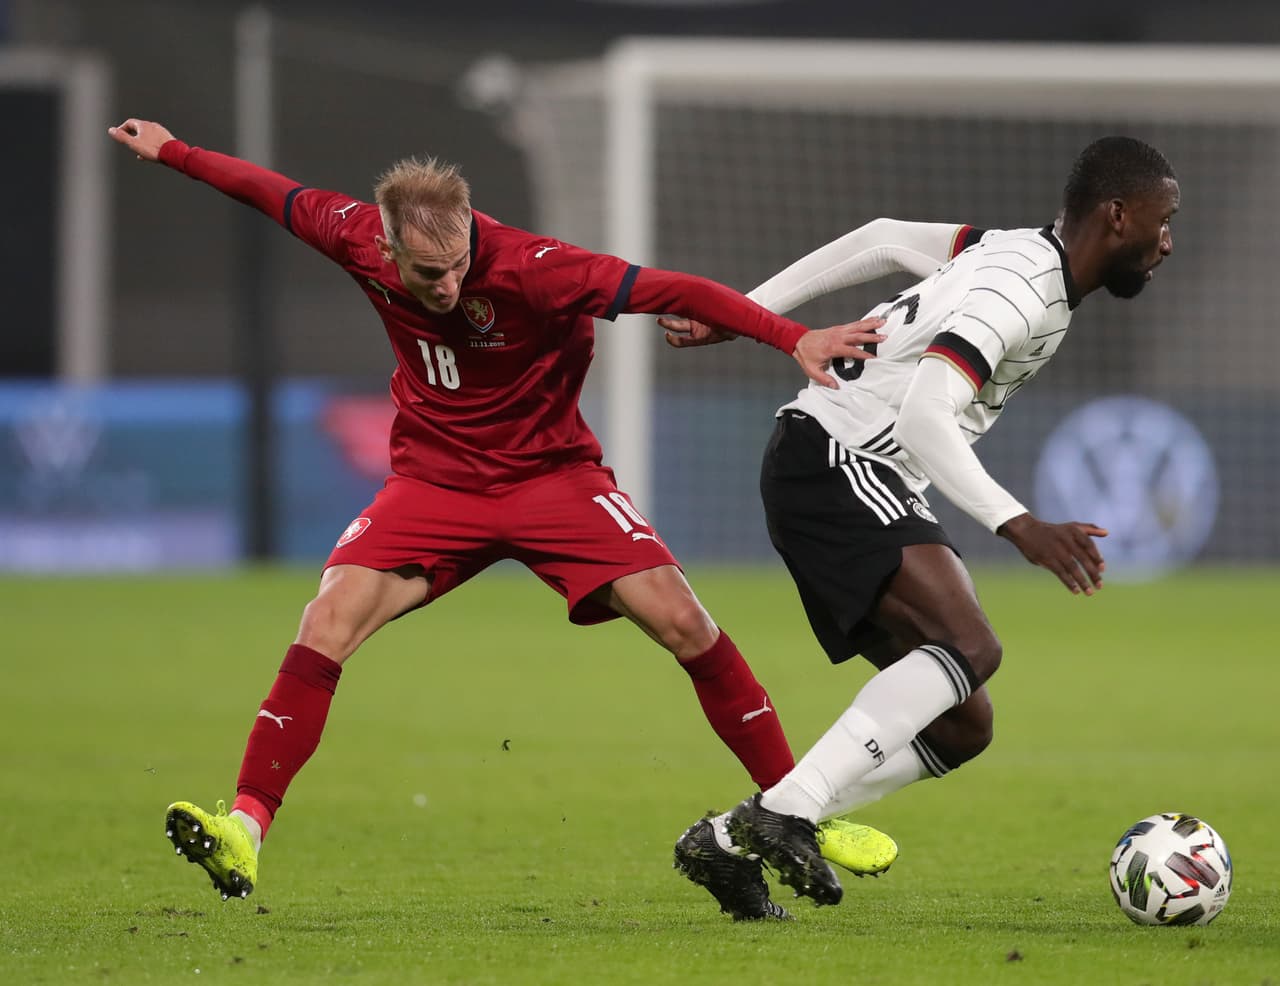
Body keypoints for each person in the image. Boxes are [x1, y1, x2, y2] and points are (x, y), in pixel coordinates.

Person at [107, 118, 896, 911]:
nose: (447, 286)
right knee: (325, 622)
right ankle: (244, 826)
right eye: (428, 273)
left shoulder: (535, 268)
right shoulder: (353, 236)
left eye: (456, 267)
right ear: (386, 246)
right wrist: (175, 152)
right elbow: (272, 193)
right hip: (435, 484)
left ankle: (800, 814)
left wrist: (793, 336)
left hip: (555, 479)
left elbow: (674, 289)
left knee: (687, 624)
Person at [664, 136, 1179, 910]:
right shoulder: (1022, 293)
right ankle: (785, 813)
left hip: (840, 465)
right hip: (839, 458)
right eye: (1162, 220)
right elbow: (924, 415)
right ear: (1118, 215)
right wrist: (1021, 525)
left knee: (964, 724)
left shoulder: (1006, 249)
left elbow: (879, 237)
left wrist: (750, 313)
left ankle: (732, 840)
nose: (1168, 240)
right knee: (971, 646)